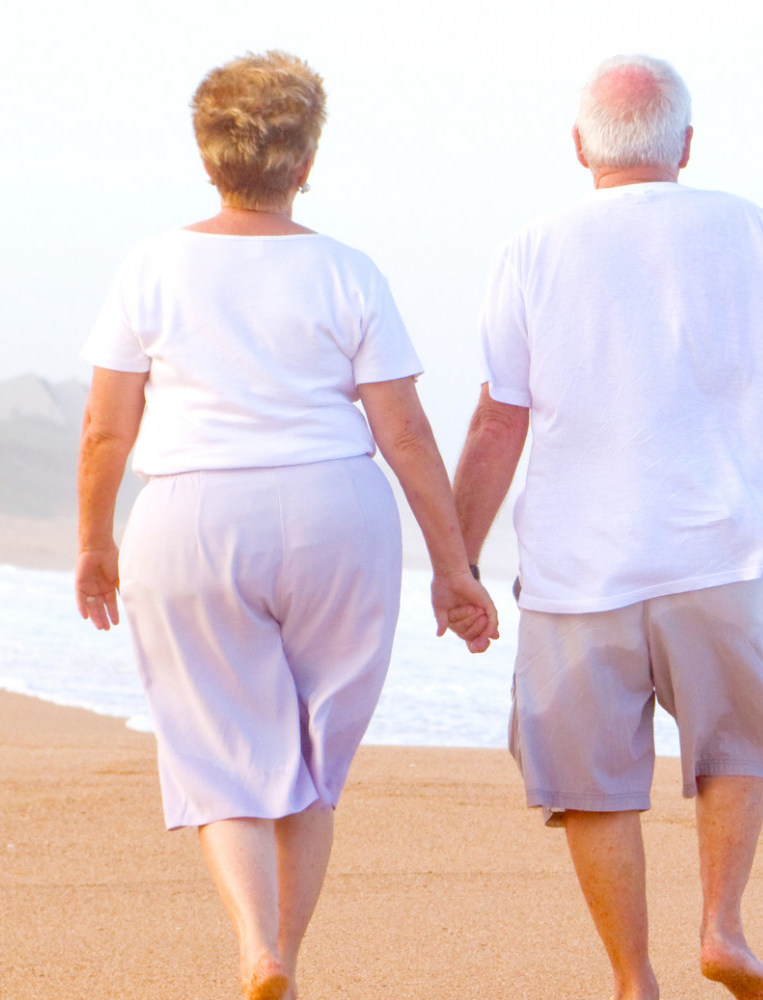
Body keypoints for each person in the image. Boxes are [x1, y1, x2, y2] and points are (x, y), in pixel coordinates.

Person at [451, 53, 763, 1000]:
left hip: (576, 568)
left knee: (591, 779)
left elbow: (497, 420)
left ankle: (632, 980)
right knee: (732, 748)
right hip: (720, 551)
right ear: (686, 144)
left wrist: (459, 558)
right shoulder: (750, 228)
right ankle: (722, 928)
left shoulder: (533, 247)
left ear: (579, 149)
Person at [72, 50, 497, 1000]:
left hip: (190, 517)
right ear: (305, 163)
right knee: (312, 752)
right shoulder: (348, 271)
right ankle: (288, 963)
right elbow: (405, 432)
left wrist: (96, 543)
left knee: (221, 744)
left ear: (205, 152)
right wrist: (454, 566)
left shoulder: (150, 266)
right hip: (335, 516)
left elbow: (107, 428)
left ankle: (258, 951)